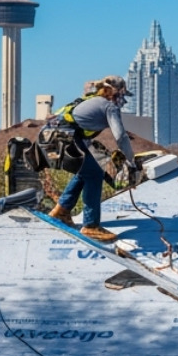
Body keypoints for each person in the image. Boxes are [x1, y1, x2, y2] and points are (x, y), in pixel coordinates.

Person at [47, 76, 140, 242]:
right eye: (123, 96)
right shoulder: (109, 106)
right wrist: (131, 162)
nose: (124, 101)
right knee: (94, 173)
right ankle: (90, 226)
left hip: (51, 139)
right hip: (64, 138)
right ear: (114, 93)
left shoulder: (91, 101)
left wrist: (100, 159)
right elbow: (121, 137)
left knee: (87, 171)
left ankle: (61, 211)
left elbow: (82, 135)